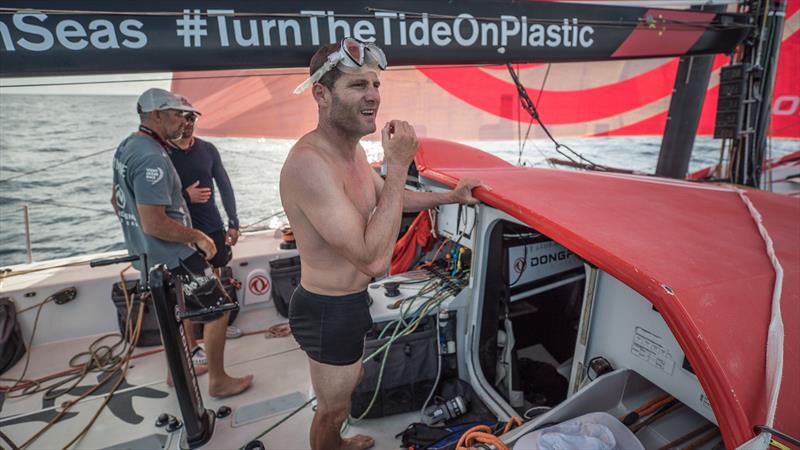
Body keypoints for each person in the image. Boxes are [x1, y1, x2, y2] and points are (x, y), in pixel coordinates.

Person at [280, 39, 480, 450]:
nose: (373, 95)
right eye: (357, 85)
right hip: (326, 311)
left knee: (351, 384)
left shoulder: (350, 153)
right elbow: (374, 259)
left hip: (351, 303)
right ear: (321, 94)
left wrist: (451, 197)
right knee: (333, 408)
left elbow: (391, 197)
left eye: (375, 84)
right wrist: (400, 163)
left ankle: (337, 443)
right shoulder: (309, 165)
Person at [111, 87, 253, 398]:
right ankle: (218, 381)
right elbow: (154, 222)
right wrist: (197, 237)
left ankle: (178, 374)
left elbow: (117, 200)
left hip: (148, 255)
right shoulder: (153, 156)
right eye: (176, 114)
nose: (183, 121)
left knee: (175, 312)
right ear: (157, 116)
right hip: (174, 254)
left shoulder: (127, 147)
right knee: (218, 310)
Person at [168, 96, 243, 340]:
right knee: (187, 289)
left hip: (212, 227)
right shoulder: (162, 154)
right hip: (183, 233)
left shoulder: (207, 150)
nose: (187, 122)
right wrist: (185, 196)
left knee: (217, 278)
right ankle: (190, 342)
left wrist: (233, 223)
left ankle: (217, 328)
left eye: (191, 117)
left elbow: (225, 186)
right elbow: (154, 200)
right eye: (181, 116)